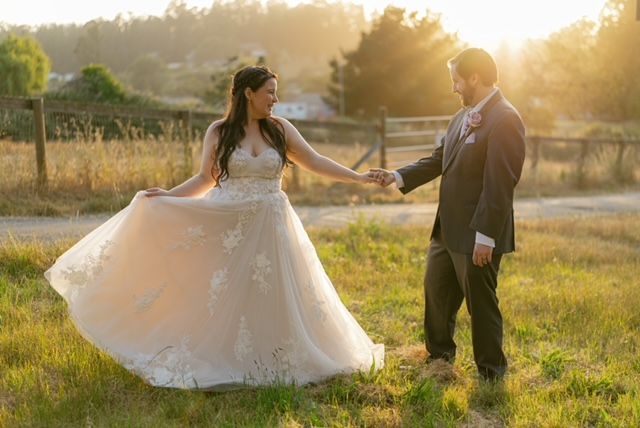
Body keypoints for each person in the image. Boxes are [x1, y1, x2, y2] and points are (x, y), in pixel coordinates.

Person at [45, 65, 383, 390]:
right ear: (248, 94)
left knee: (277, 292)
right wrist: (168, 198)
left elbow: (314, 160)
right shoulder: (219, 131)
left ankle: (277, 357)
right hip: (228, 224)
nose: (275, 100)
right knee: (226, 293)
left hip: (272, 225)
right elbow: (206, 179)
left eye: (276, 94)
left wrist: (358, 177)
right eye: (270, 93)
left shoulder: (279, 129)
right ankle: (227, 357)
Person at [369, 48, 525, 381]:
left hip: (478, 233)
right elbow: (439, 159)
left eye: (456, 81)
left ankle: (491, 374)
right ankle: (439, 361)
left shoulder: (506, 119)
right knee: (436, 293)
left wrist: (486, 237)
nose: (454, 88)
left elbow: (500, 185)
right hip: (446, 229)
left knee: (480, 304)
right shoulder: (461, 117)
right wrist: (397, 176)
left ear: (474, 78)